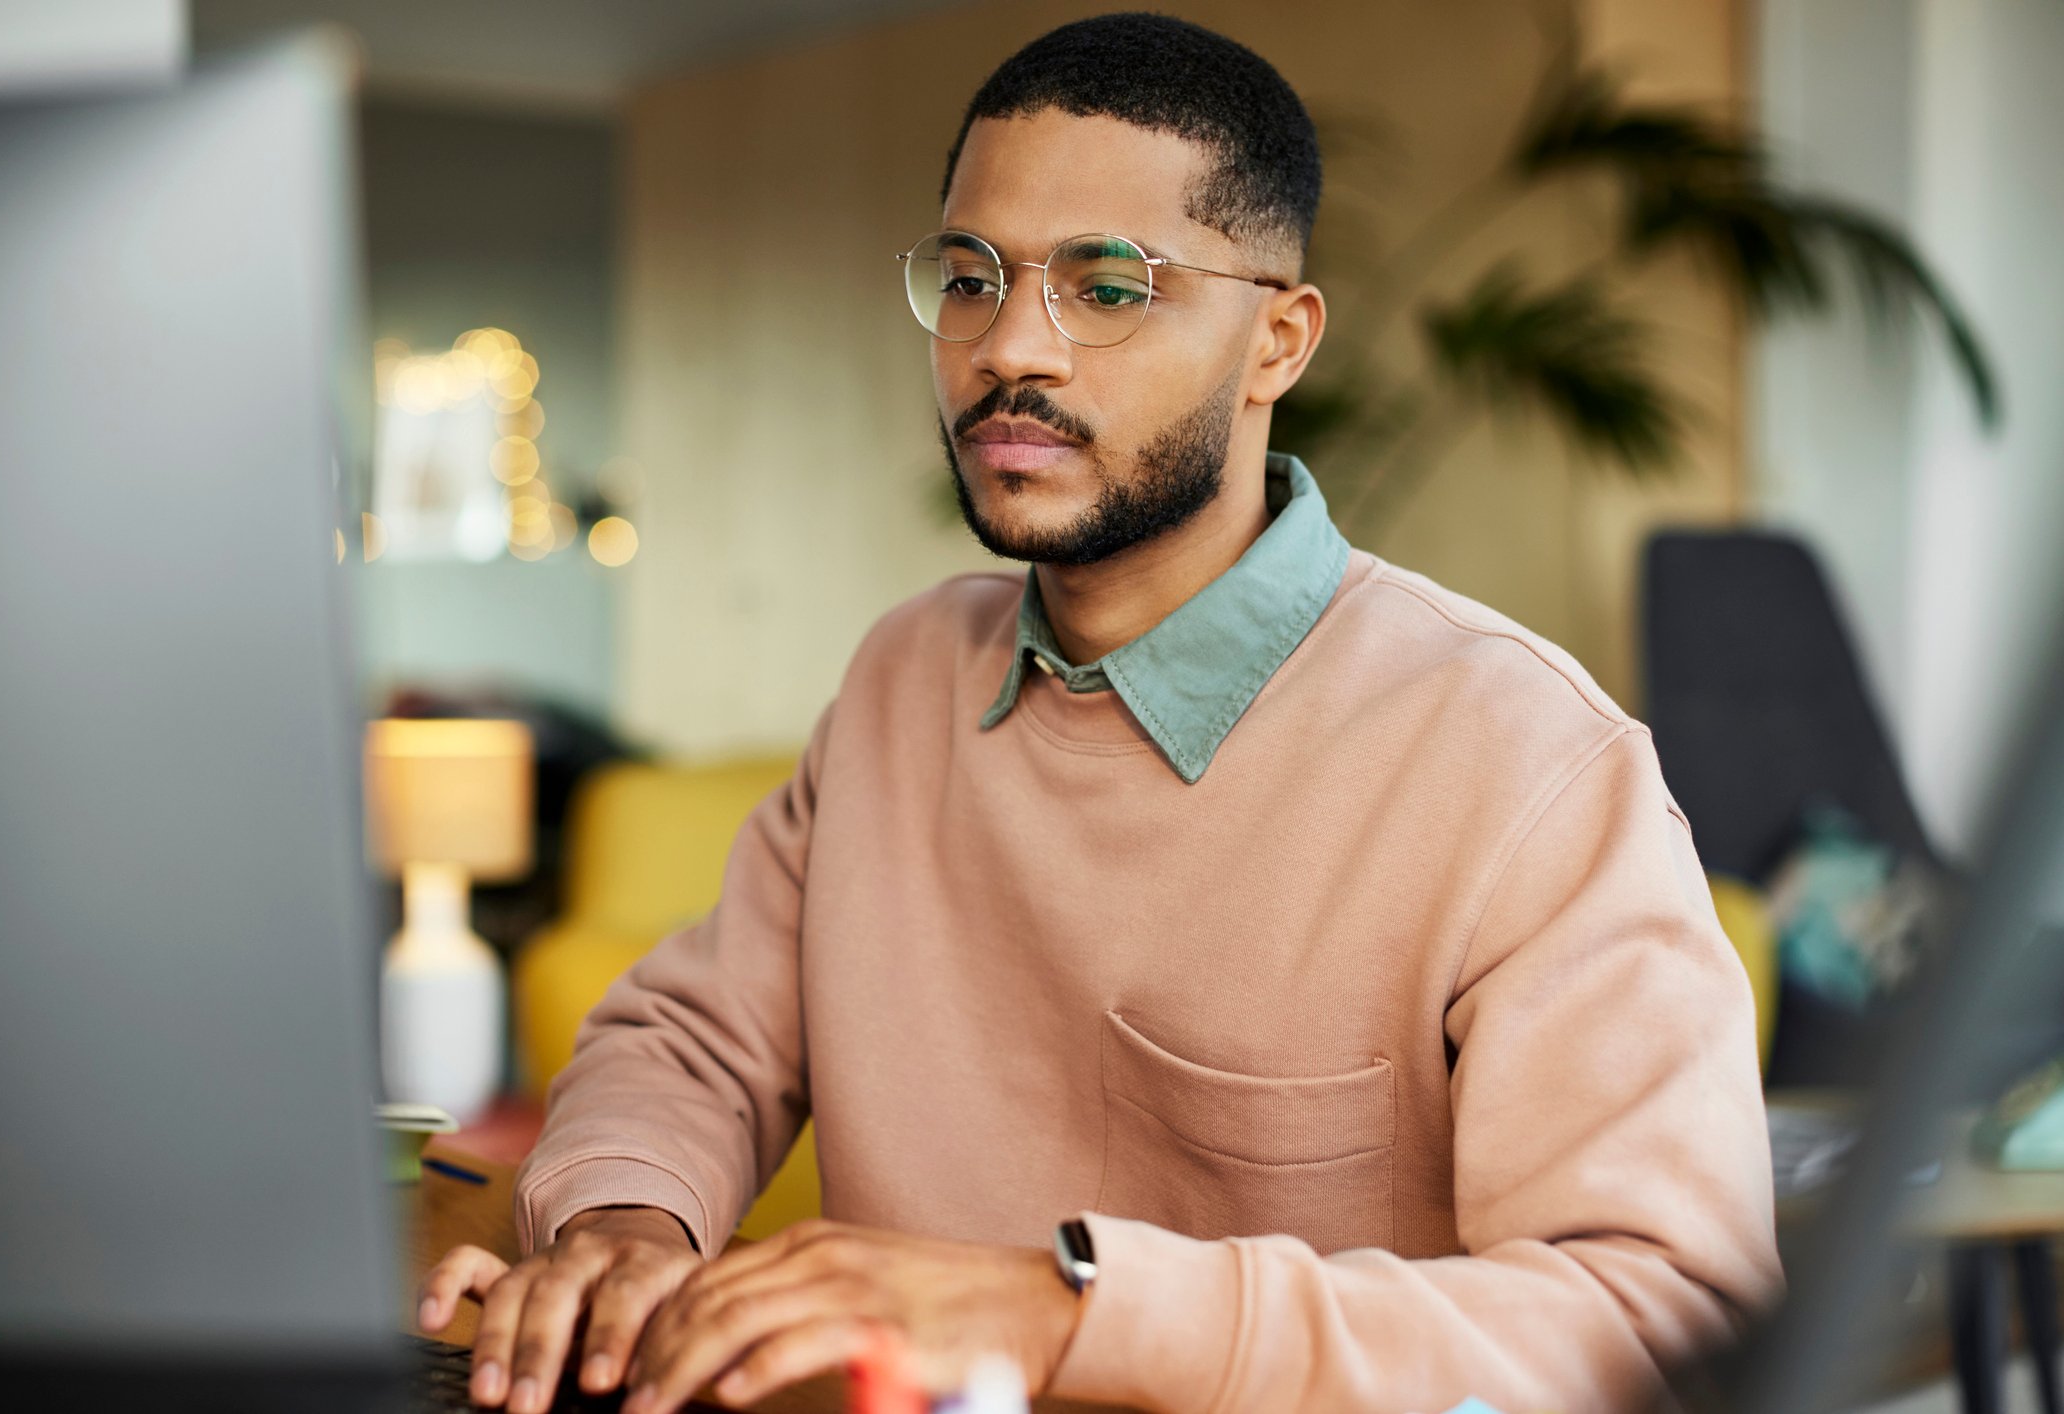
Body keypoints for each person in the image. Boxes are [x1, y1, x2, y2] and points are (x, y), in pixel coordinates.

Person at [417, 14, 1782, 1413]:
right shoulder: (904, 681)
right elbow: (692, 1046)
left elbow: (1665, 1320)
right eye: (970, 276)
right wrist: (626, 1235)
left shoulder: (1524, 758)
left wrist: (1069, 1308)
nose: (1012, 347)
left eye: (1109, 286)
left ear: (1276, 344)